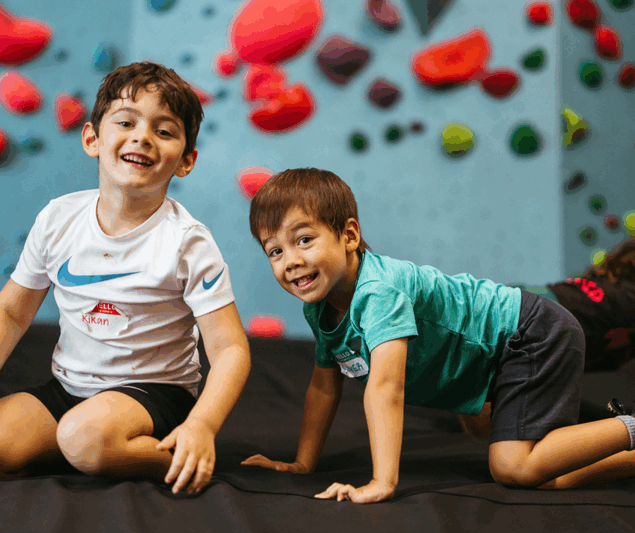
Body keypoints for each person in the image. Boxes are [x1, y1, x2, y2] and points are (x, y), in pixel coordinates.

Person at [242, 167, 635, 503]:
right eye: (274, 251)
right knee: (539, 474)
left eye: (303, 240)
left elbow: (385, 388)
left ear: (348, 235)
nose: (290, 261)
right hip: (488, 360)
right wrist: (302, 463)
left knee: (512, 466)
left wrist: (382, 482)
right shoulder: (320, 307)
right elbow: (324, 387)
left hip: (530, 333)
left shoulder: (379, 290)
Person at [0, 62, 250, 495]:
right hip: (70, 390)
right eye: (126, 122)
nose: (142, 137)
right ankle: (86, 447)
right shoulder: (58, 219)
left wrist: (201, 426)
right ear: (92, 139)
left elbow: (230, 349)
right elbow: (11, 313)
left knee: (84, 437)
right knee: (32, 441)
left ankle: (173, 461)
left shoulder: (187, 243)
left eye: (165, 131)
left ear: (186, 161)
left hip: (155, 395)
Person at [460, 239, 635, 438]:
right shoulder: (629, 301)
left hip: (514, 297)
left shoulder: (605, 281)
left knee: (477, 378)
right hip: (536, 321)